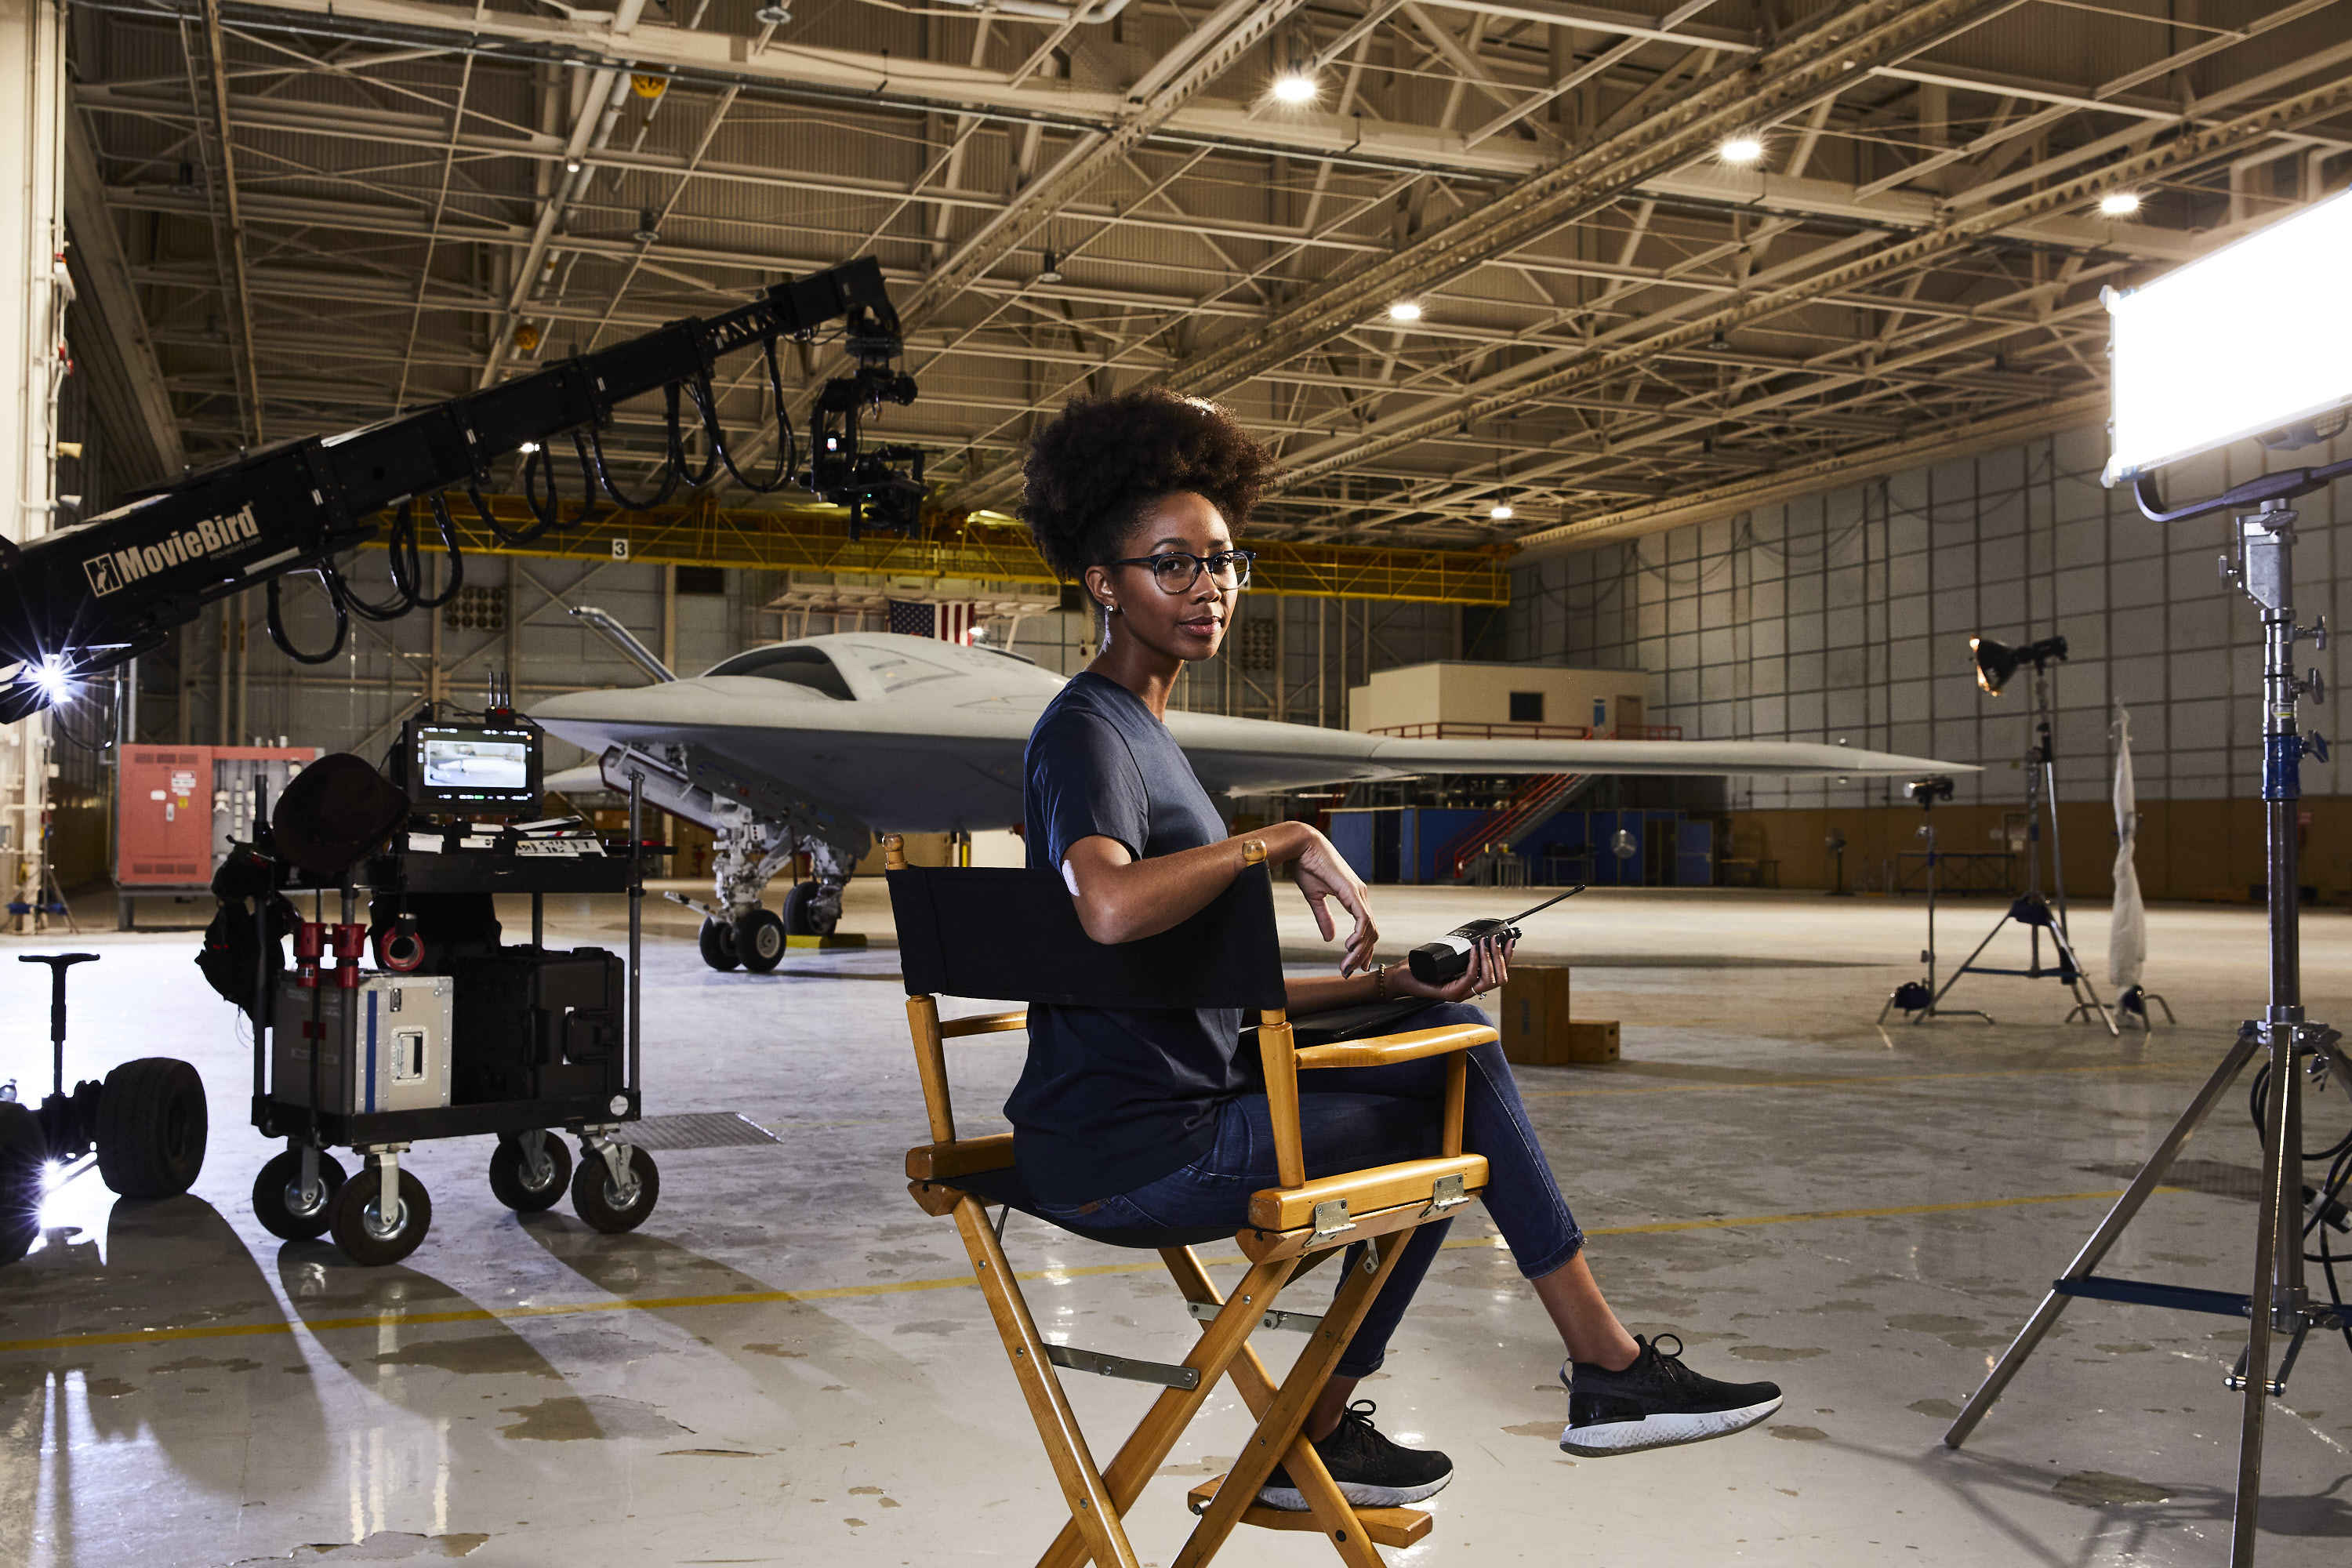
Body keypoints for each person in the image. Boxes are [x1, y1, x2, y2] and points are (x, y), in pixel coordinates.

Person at [1009, 388, 1780, 1512]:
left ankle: (1317, 1438)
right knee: (1455, 1086)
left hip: (1143, 1120)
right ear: (1100, 583)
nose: (1208, 586)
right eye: (1171, 564)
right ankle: (1601, 1372)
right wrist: (1280, 839)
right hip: (1134, 1156)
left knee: (1445, 1040)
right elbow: (1113, 911)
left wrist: (1386, 984)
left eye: (1225, 561)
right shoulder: (1089, 730)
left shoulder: (1145, 734)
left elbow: (1207, 994)